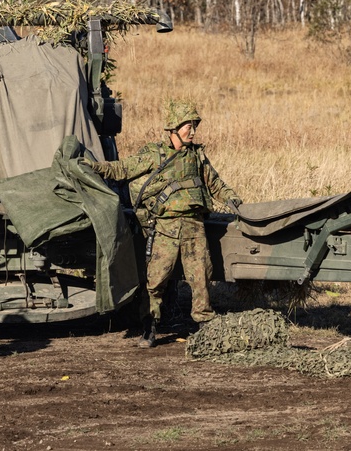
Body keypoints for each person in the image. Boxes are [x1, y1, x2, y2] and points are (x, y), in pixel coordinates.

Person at [87, 99, 242, 348]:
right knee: (156, 280)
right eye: (186, 126)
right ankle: (150, 327)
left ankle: (205, 327)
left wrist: (233, 199)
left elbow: (215, 184)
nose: (192, 130)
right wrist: (94, 167)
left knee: (201, 277)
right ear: (172, 129)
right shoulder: (154, 154)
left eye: (194, 125)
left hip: (194, 227)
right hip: (165, 229)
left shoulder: (197, 156)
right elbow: (122, 169)